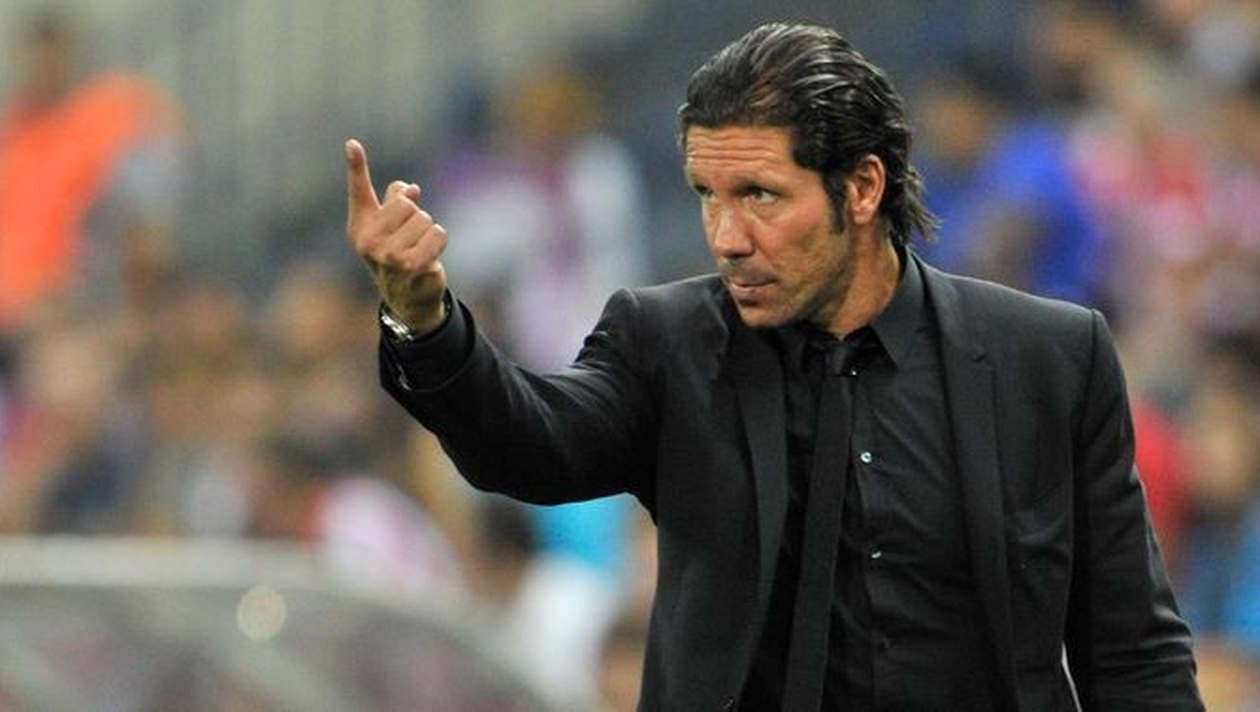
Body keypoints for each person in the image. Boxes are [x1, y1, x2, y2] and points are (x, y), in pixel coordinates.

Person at [344, 22, 1202, 711]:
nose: (726, 237)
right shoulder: (665, 341)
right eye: (706, 197)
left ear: (861, 189)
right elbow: (526, 448)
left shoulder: (1049, 358)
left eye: (759, 195)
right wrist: (424, 321)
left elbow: (1132, 647)